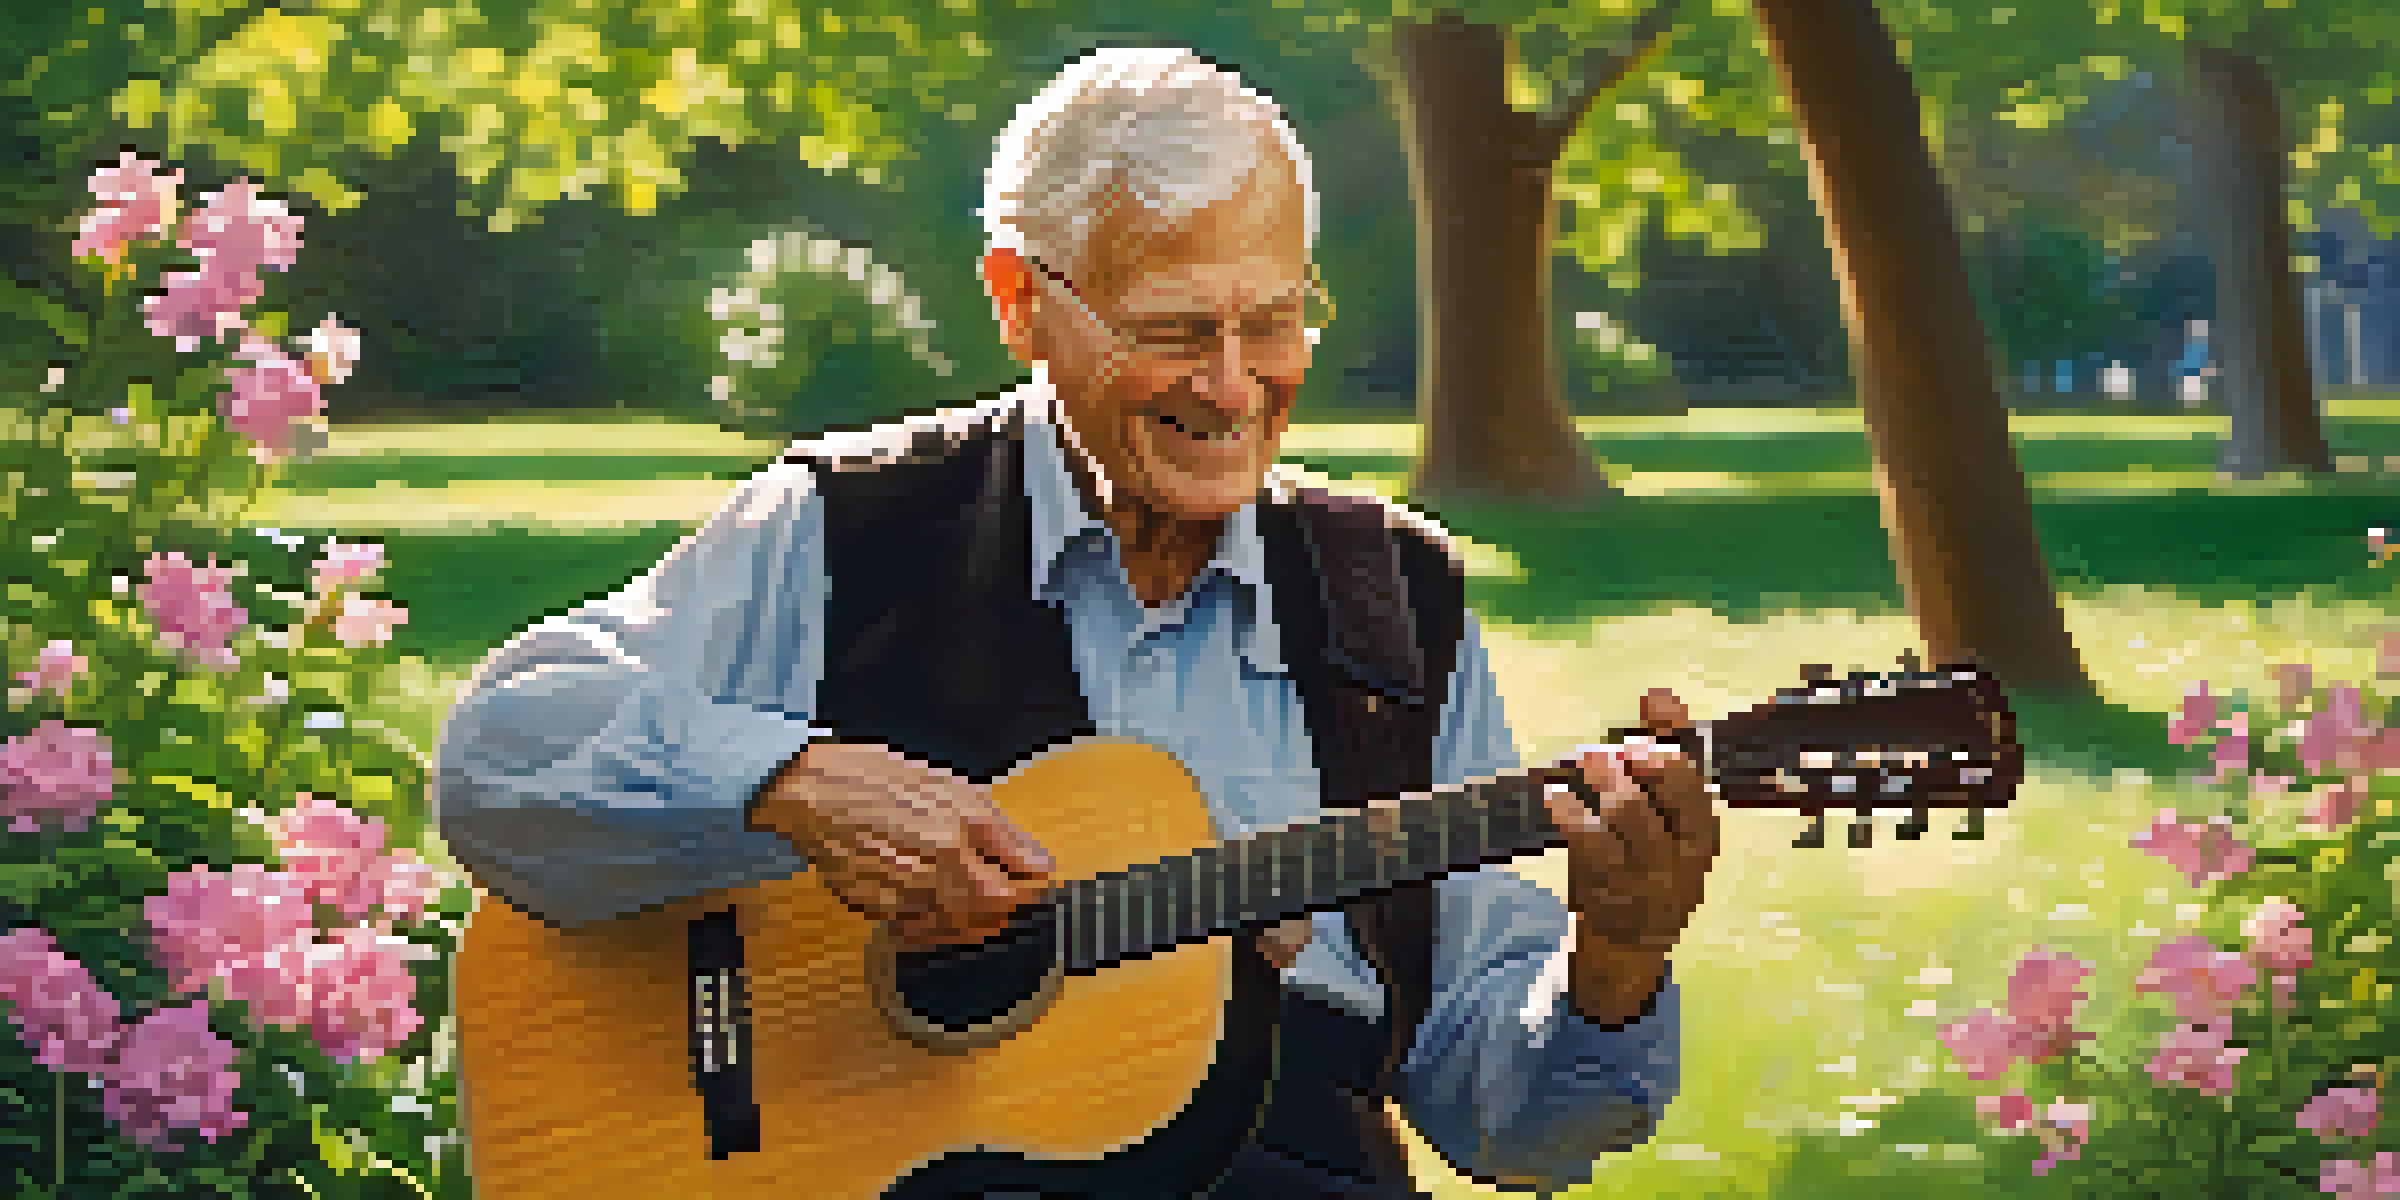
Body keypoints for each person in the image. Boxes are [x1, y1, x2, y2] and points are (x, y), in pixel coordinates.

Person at [434, 46, 1719, 1198]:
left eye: (1271, 321)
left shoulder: (1399, 600)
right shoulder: (848, 529)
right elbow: (502, 755)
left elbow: (1506, 1124)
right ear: (1020, 302)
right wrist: (792, 782)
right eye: (1173, 329)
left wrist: (1611, 966)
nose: (1232, 386)